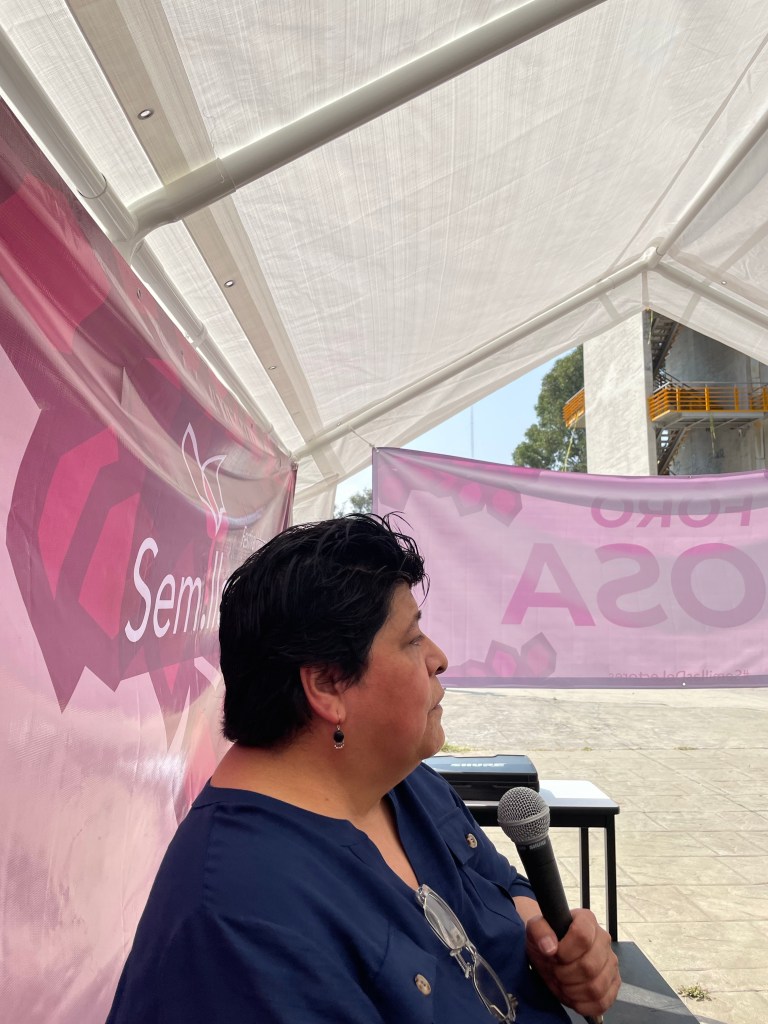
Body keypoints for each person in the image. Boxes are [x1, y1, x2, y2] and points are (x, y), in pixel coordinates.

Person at [106, 513, 619, 1023]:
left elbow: (501, 884)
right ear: (327, 685)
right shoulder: (238, 918)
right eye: (412, 640)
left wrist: (552, 948)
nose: (438, 658)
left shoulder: (402, 782)